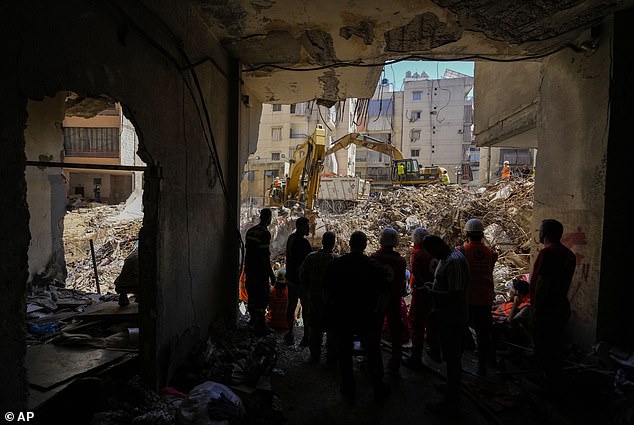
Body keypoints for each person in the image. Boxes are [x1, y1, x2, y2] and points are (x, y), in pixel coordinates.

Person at [324, 231, 390, 405]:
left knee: (344, 354)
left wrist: (331, 310)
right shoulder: (374, 266)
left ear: (350, 244)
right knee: (373, 352)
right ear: (365, 245)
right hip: (366, 316)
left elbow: (326, 290)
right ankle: (378, 388)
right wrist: (378, 314)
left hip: (342, 316)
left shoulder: (337, 264)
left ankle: (349, 390)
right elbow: (384, 292)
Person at [422, 235, 470, 414]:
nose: (431, 256)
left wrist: (432, 292)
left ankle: (451, 401)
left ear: (437, 246)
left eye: (431, 252)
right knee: (450, 355)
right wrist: (432, 286)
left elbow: (455, 294)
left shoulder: (454, 262)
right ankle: (451, 385)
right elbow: (445, 286)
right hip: (445, 315)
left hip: (453, 318)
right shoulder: (445, 259)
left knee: (453, 357)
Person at [529, 219, 576, 393]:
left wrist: (536, 311)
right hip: (561, 307)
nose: (539, 233)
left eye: (540, 230)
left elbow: (543, 283)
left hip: (546, 310)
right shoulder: (569, 254)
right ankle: (556, 382)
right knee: (555, 348)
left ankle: (549, 387)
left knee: (544, 349)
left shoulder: (548, 253)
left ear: (545, 233)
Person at [458, 218, 498, 376]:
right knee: (483, 334)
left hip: (466, 299)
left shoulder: (461, 251)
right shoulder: (491, 253)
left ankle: (458, 367)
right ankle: (482, 367)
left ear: (467, 233)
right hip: (485, 298)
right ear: (482, 235)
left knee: (460, 332)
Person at [371, 227, 407, 373]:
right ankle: (396, 362)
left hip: (378, 299)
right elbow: (401, 285)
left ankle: (372, 360)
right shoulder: (400, 260)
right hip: (394, 299)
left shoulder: (374, 258)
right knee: (395, 330)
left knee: (374, 329)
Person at [299, 231, 337, 364]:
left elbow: (302, 276)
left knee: (315, 328)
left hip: (314, 299)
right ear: (333, 243)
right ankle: (330, 359)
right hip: (331, 301)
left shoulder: (311, 257)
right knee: (331, 329)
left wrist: (308, 291)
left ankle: (315, 356)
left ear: (322, 242)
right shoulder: (336, 260)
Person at [404, 227, 440, 369]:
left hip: (421, 292)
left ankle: (416, 357)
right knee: (432, 322)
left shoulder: (417, 254)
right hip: (434, 292)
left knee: (417, 324)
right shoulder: (434, 254)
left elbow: (415, 276)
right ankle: (435, 351)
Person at [244, 208, 277, 335]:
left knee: (251, 295)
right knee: (262, 297)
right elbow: (264, 256)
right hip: (259, 271)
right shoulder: (264, 233)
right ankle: (261, 325)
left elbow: (249, 252)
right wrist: (271, 274)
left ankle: (252, 321)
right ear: (269, 219)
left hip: (250, 269)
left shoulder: (250, 231)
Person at [284, 216, 313, 346]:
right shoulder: (304, 243)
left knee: (291, 305)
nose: (308, 228)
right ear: (300, 227)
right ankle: (306, 336)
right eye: (306, 226)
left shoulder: (291, 238)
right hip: (301, 282)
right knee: (306, 308)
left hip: (290, 279)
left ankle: (290, 333)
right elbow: (308, 264)